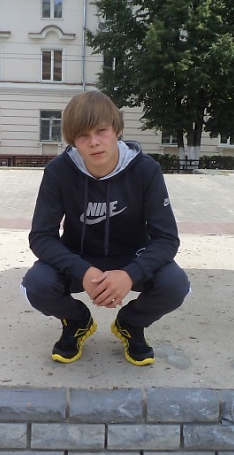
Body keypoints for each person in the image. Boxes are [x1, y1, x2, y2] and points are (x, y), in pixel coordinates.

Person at [21, 91, 190, 365]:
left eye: (101, 131)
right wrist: (82, 271)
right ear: (72, 140)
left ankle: (131, 324)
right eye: (83, 136)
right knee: (36, 285)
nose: (94, 142)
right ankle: (77, 321)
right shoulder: (59, 171)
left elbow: (167, 239)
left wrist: (130, 274)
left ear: (117, 129)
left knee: (175, 285)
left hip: (132, 256)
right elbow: (41, 236)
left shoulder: (146, 170)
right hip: (79, 256)